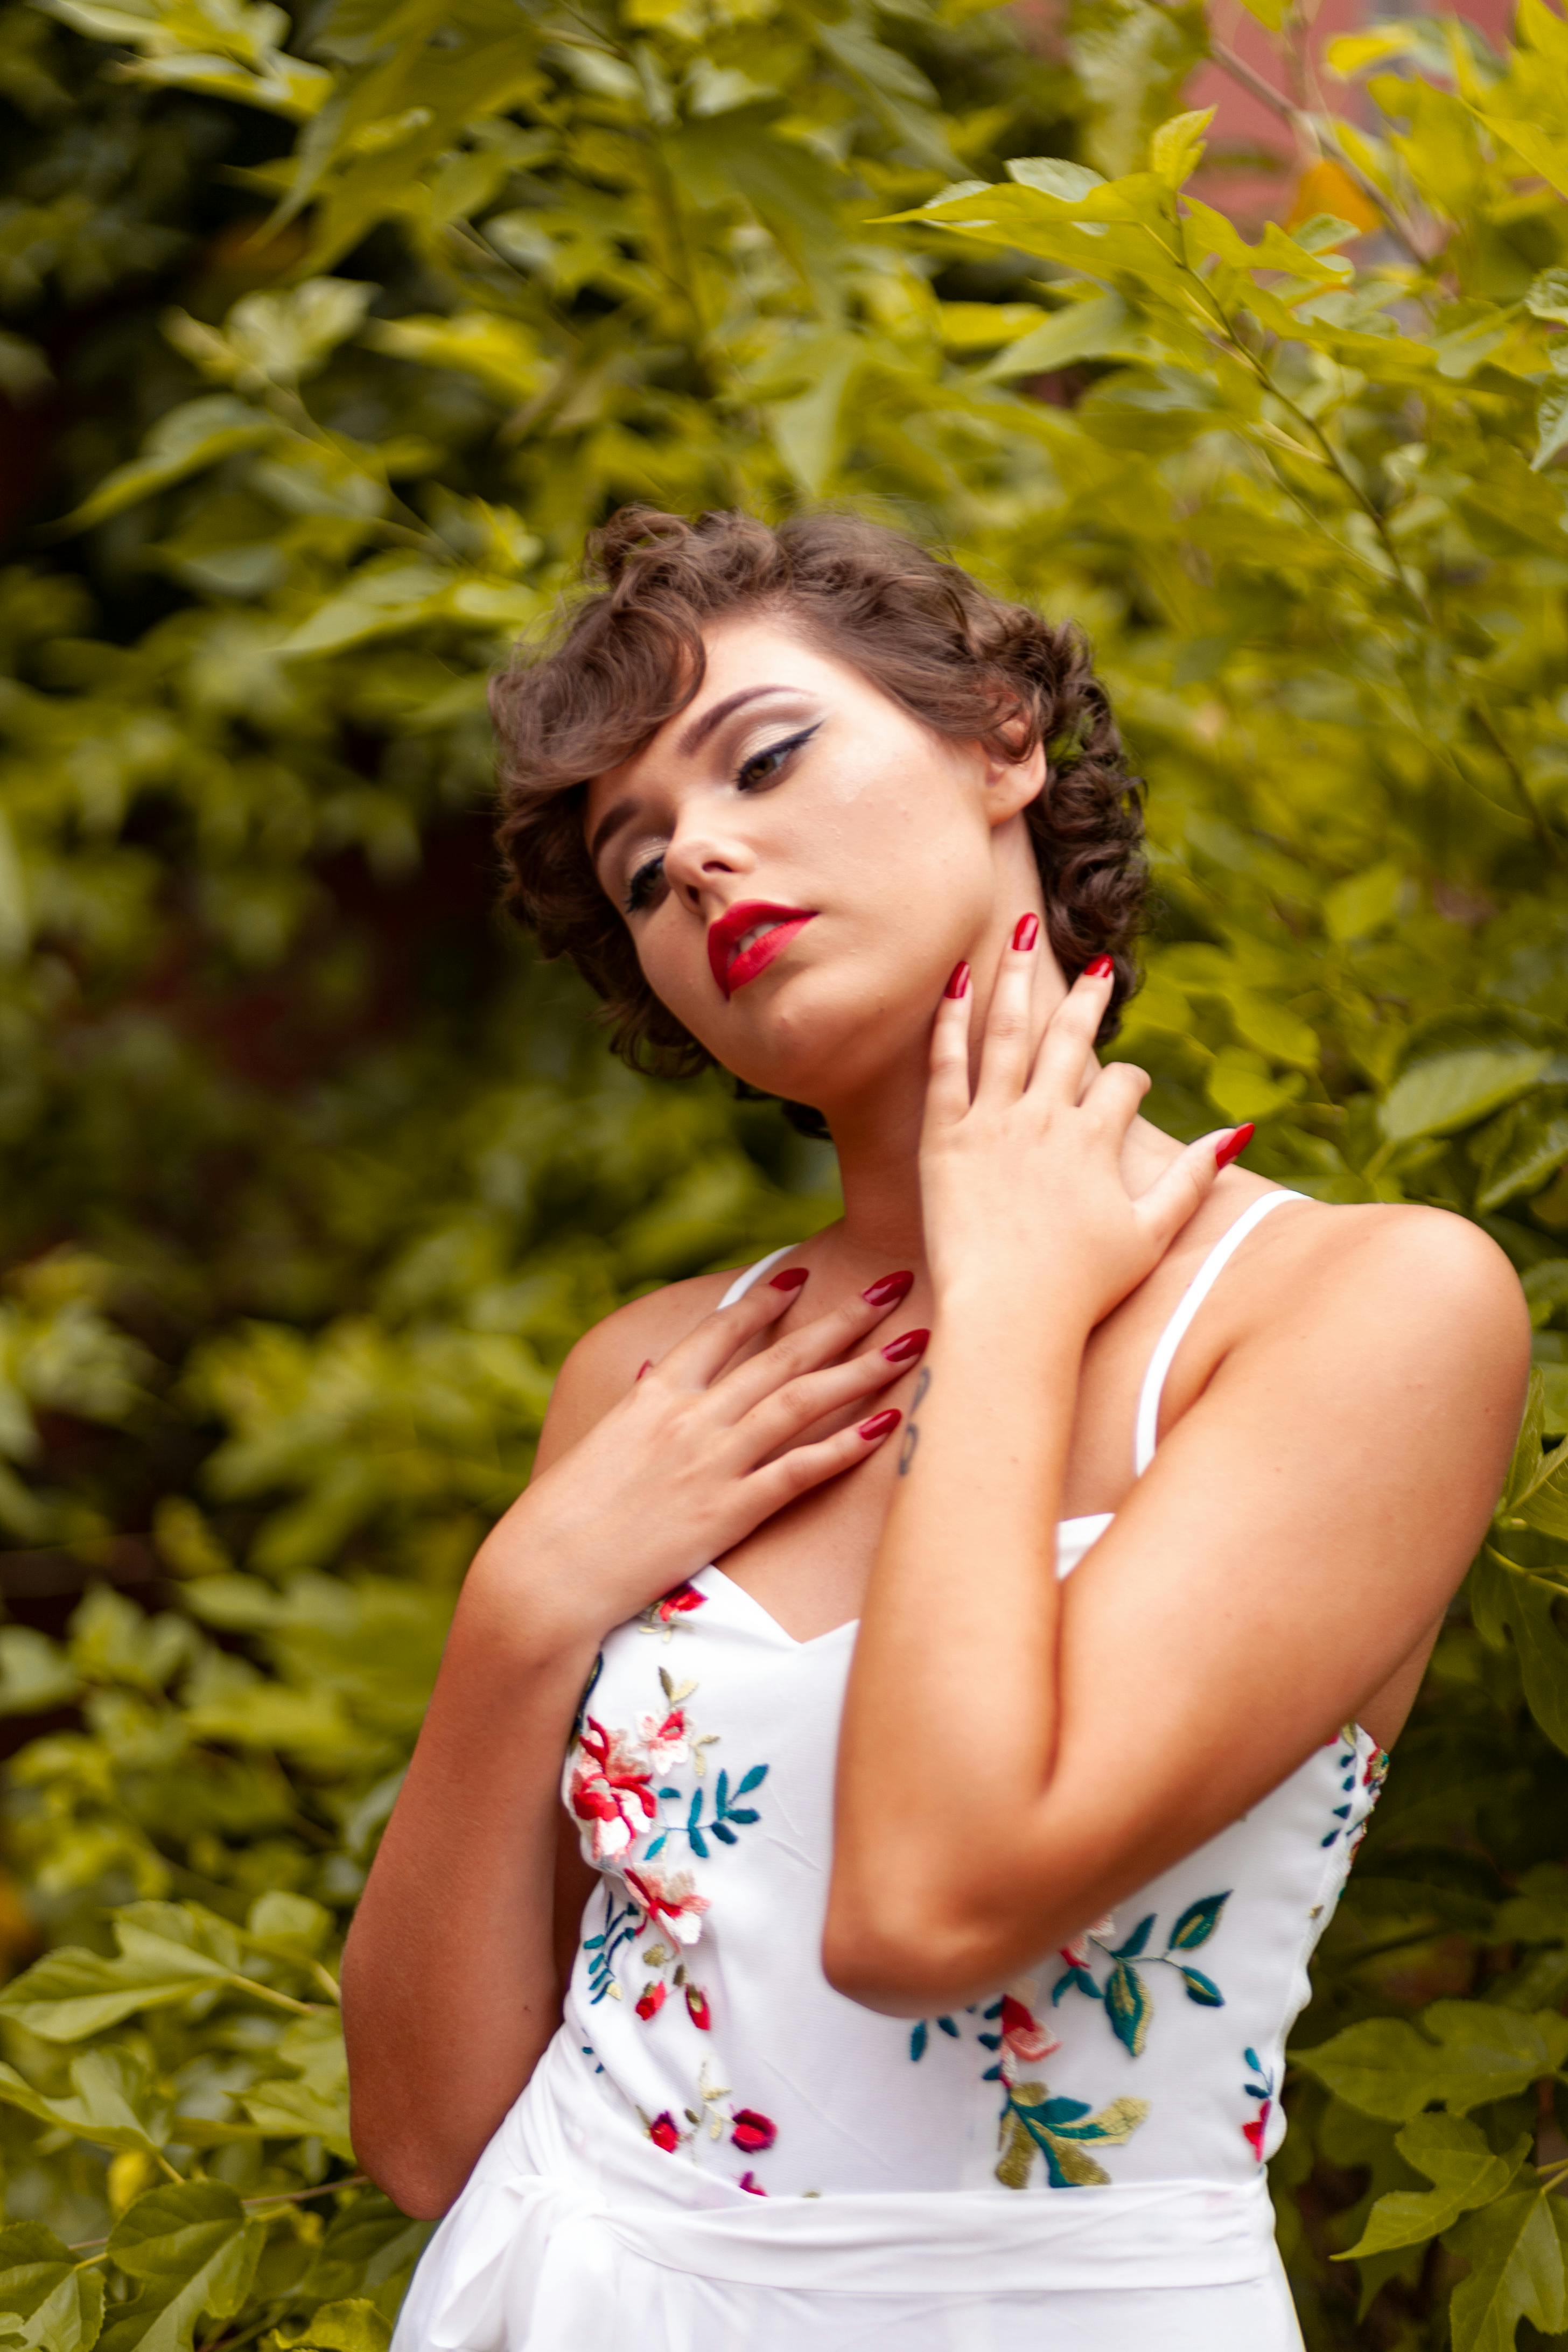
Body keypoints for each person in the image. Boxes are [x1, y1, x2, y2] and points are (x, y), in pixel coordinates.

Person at [342, 507, 1529, 2351]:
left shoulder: (1364, 1313)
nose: (704, 860)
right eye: (643, 870)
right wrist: (523, 1605)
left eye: (764, 757)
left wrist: (1014, 1308)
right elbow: (423, 2142)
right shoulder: (656, 1380)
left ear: (1001, 736)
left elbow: (925, 1904)